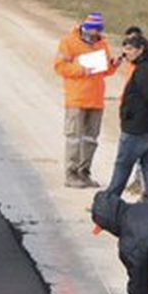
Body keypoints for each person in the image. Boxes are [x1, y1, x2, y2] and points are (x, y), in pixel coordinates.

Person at [104, 34, 148, 199]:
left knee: (123, 164)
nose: (125, 53)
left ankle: (110, 201)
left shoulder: (144, 70)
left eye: (129, 49)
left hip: (138, 128)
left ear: (140, 49)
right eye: (124, 48)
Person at [53, 12, 118, 187]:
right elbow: (60, 66)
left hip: (96, 99)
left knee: (91, 139)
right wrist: (82, 70)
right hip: (76, 98)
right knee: (74, 137)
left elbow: (104, 71)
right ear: (85, 28)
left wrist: (113, 66)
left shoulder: (102, 44)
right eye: (92, 30)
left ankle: (84, 172)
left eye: (98, 31)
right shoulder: (69, 42)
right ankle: (71, 174)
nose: (95, 34)